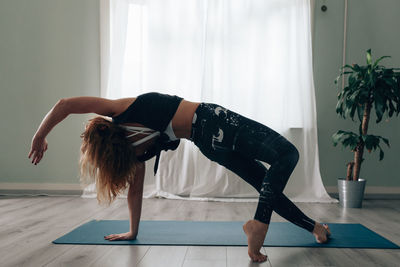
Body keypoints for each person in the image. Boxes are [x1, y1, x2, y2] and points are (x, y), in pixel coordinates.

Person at [28, 92, 331, 263]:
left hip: (209, 145)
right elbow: (65, 104)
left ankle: (314, 227)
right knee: (287, 154)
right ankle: (258, 227)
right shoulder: (121, 111)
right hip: (213, 120)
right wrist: (40, 135)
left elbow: (135, 192)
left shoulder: (134, 151)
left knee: (266, 182)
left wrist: (133, 232)